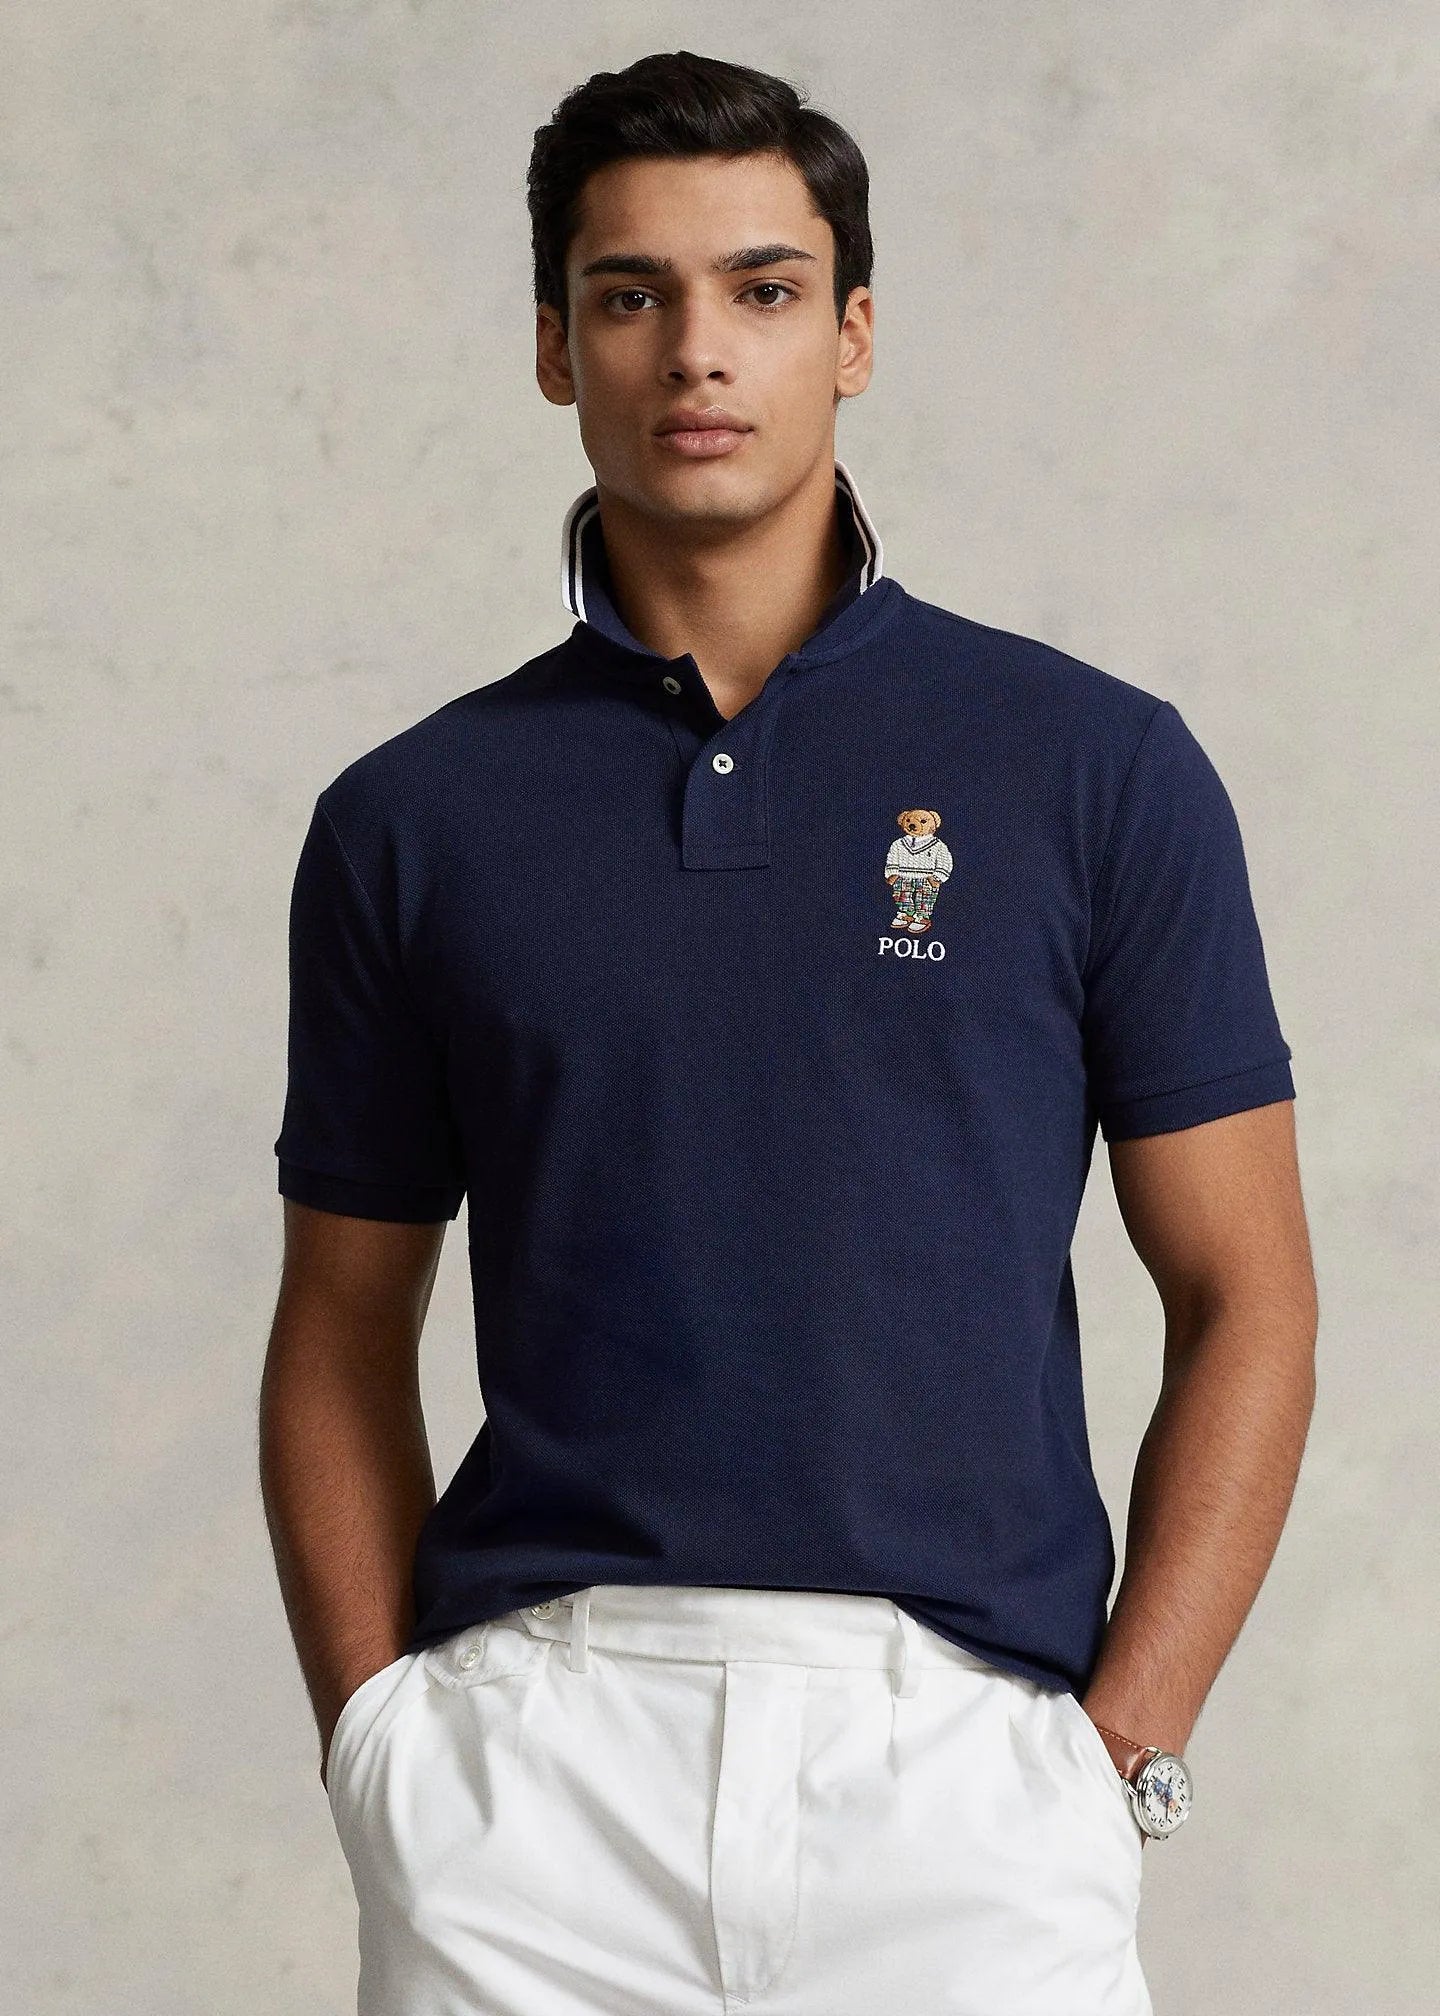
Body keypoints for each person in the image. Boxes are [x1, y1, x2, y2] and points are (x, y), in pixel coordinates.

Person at [259, 48, 1318, 2016]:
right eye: (630, 294)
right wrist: (377, 1743)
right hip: (534, 1784)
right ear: (557, 348)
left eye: (761, 289)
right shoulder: (414, 819)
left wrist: (1117, 1760)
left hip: (966, 1775)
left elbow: (1249, 1292)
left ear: (854, 336)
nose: (697, 350)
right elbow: (338, 1323)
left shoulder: (1094, 770)